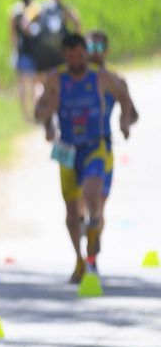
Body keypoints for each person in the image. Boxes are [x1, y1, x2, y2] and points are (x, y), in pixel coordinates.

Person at [35, 33, 133, 283]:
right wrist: (49, 116)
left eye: (80, 55)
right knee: (70, 214)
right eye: (71, 56)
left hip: (94, 146)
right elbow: (39, 111)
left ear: (85, 54)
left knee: (92, 195)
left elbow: (123, 96)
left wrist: (123, 121)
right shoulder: (56, 79)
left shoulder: (100, 77)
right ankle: (79, 259)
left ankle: (94, 226)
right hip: (67, 149)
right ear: (64, 55)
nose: (76, 61)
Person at [86, 30, 139, 272]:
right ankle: (83, 251)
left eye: (98, 49)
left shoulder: (115, 80)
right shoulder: (73, 78)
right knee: (77, 208)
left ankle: (92, 256)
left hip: (102, 147)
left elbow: (133, 111)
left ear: (106, 51)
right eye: (90, 48)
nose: (93, 53)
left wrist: (124, 122)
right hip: (75, 148)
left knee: (97, 206)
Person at [10, 0, 37, 120]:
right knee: (32, 85)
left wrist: (13, 51)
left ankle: (26, 113)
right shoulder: (33, 11)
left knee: (22, 85)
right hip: (32, 52)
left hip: (21, 52)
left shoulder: (16, 12)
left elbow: (12, 34)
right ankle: (32, 111)